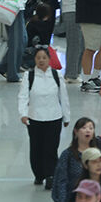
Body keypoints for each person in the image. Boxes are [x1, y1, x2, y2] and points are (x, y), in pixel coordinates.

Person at [20, 45, 72, 188]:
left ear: (49, 59)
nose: (41, 61)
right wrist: (23, 114)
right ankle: (39, 174)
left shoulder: (56, 75)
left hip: (54, 117)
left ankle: (51, 175)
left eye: (44, 58)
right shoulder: (28, 76)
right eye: (38, 58)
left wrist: (66, 117)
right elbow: (23, 96)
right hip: (34, 117)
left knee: (51, 148)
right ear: (34, 60)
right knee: (36, 147)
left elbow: (63, 97)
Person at [52, 118, 101, 202]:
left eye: (91, 128)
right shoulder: (67, 154)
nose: (88, 130)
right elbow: (61, 182)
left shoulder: (98, 154)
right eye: (84, 128)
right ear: (76, 132)